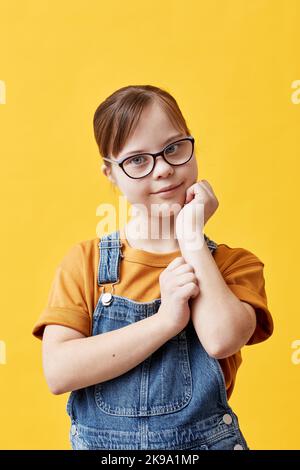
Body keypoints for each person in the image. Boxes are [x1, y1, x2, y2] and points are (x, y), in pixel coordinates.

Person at [32, 85, 274, 450]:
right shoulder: (86, 263)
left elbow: (223, 338)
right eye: (138, 160)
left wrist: (191, 239)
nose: (163, 169)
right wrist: (165, 322)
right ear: (110, 174)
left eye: (174, 148)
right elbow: (59, 371)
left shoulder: (231, 265)